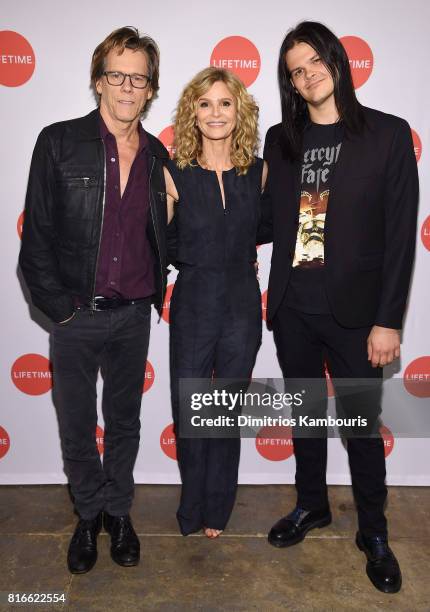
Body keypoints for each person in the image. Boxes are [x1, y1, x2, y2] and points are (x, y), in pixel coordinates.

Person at [259, 21, 418, 593]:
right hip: (293, 310)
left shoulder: (388, 134)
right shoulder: (280, 140)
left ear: (336, 60)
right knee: (304, 418)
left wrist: (388, 320)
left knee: (360, 428)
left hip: (357, 316)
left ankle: (373, 532)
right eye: (295, 71)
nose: (306, 76)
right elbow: (263, 221)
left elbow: (401, 237)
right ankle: (311, 506)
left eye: (314, 62)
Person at [19, 27, 169, 574]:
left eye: (139, 77)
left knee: (125, 422)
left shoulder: (158, 155)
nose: (127, 87)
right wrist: (60, 310)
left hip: (133, 316)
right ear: (98, 80)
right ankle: (87, 516)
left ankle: (119, 513)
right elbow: (35, 239)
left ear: (150, 88)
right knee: (77, 425)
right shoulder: (58, 141)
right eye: (116, 75)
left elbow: (165, 233)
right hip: (76, 315)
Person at [164, 67, 267, 538]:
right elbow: (158, 240)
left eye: (225, 103)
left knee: (227, 409)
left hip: (243, 303)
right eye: (205, 103)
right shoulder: (173, 172)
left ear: (239, 110)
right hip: (194, 299)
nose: (215, 113)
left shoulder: (260, 171)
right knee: (191, 410)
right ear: (192, 112)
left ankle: (218, 510)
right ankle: (191, 508)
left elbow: (270, 232)